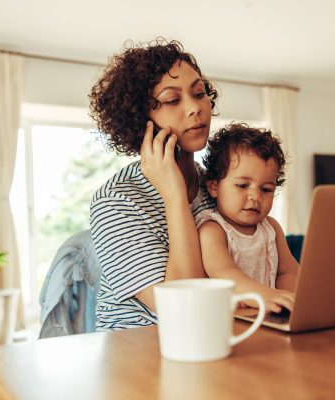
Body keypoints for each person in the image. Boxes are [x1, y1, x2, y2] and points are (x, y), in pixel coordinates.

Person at [88, 39, 218, 330]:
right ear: (140, 120)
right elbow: (183, 307)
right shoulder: (114, 202)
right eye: (173, 100)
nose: (195, 108)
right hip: (138, 355)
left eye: (199, 93)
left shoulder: (217, 185)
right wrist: (173, 193)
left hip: (212, 338)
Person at [197, 123, 299, 313]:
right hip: (234, 320)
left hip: (268, 314)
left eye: (266, 189)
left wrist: (285, 301)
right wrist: (266, 295)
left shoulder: (272, 228)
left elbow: (288, 271)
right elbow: (224, 273)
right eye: (243, 185)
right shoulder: (212, 229)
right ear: (214, 187)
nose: (255, 196)